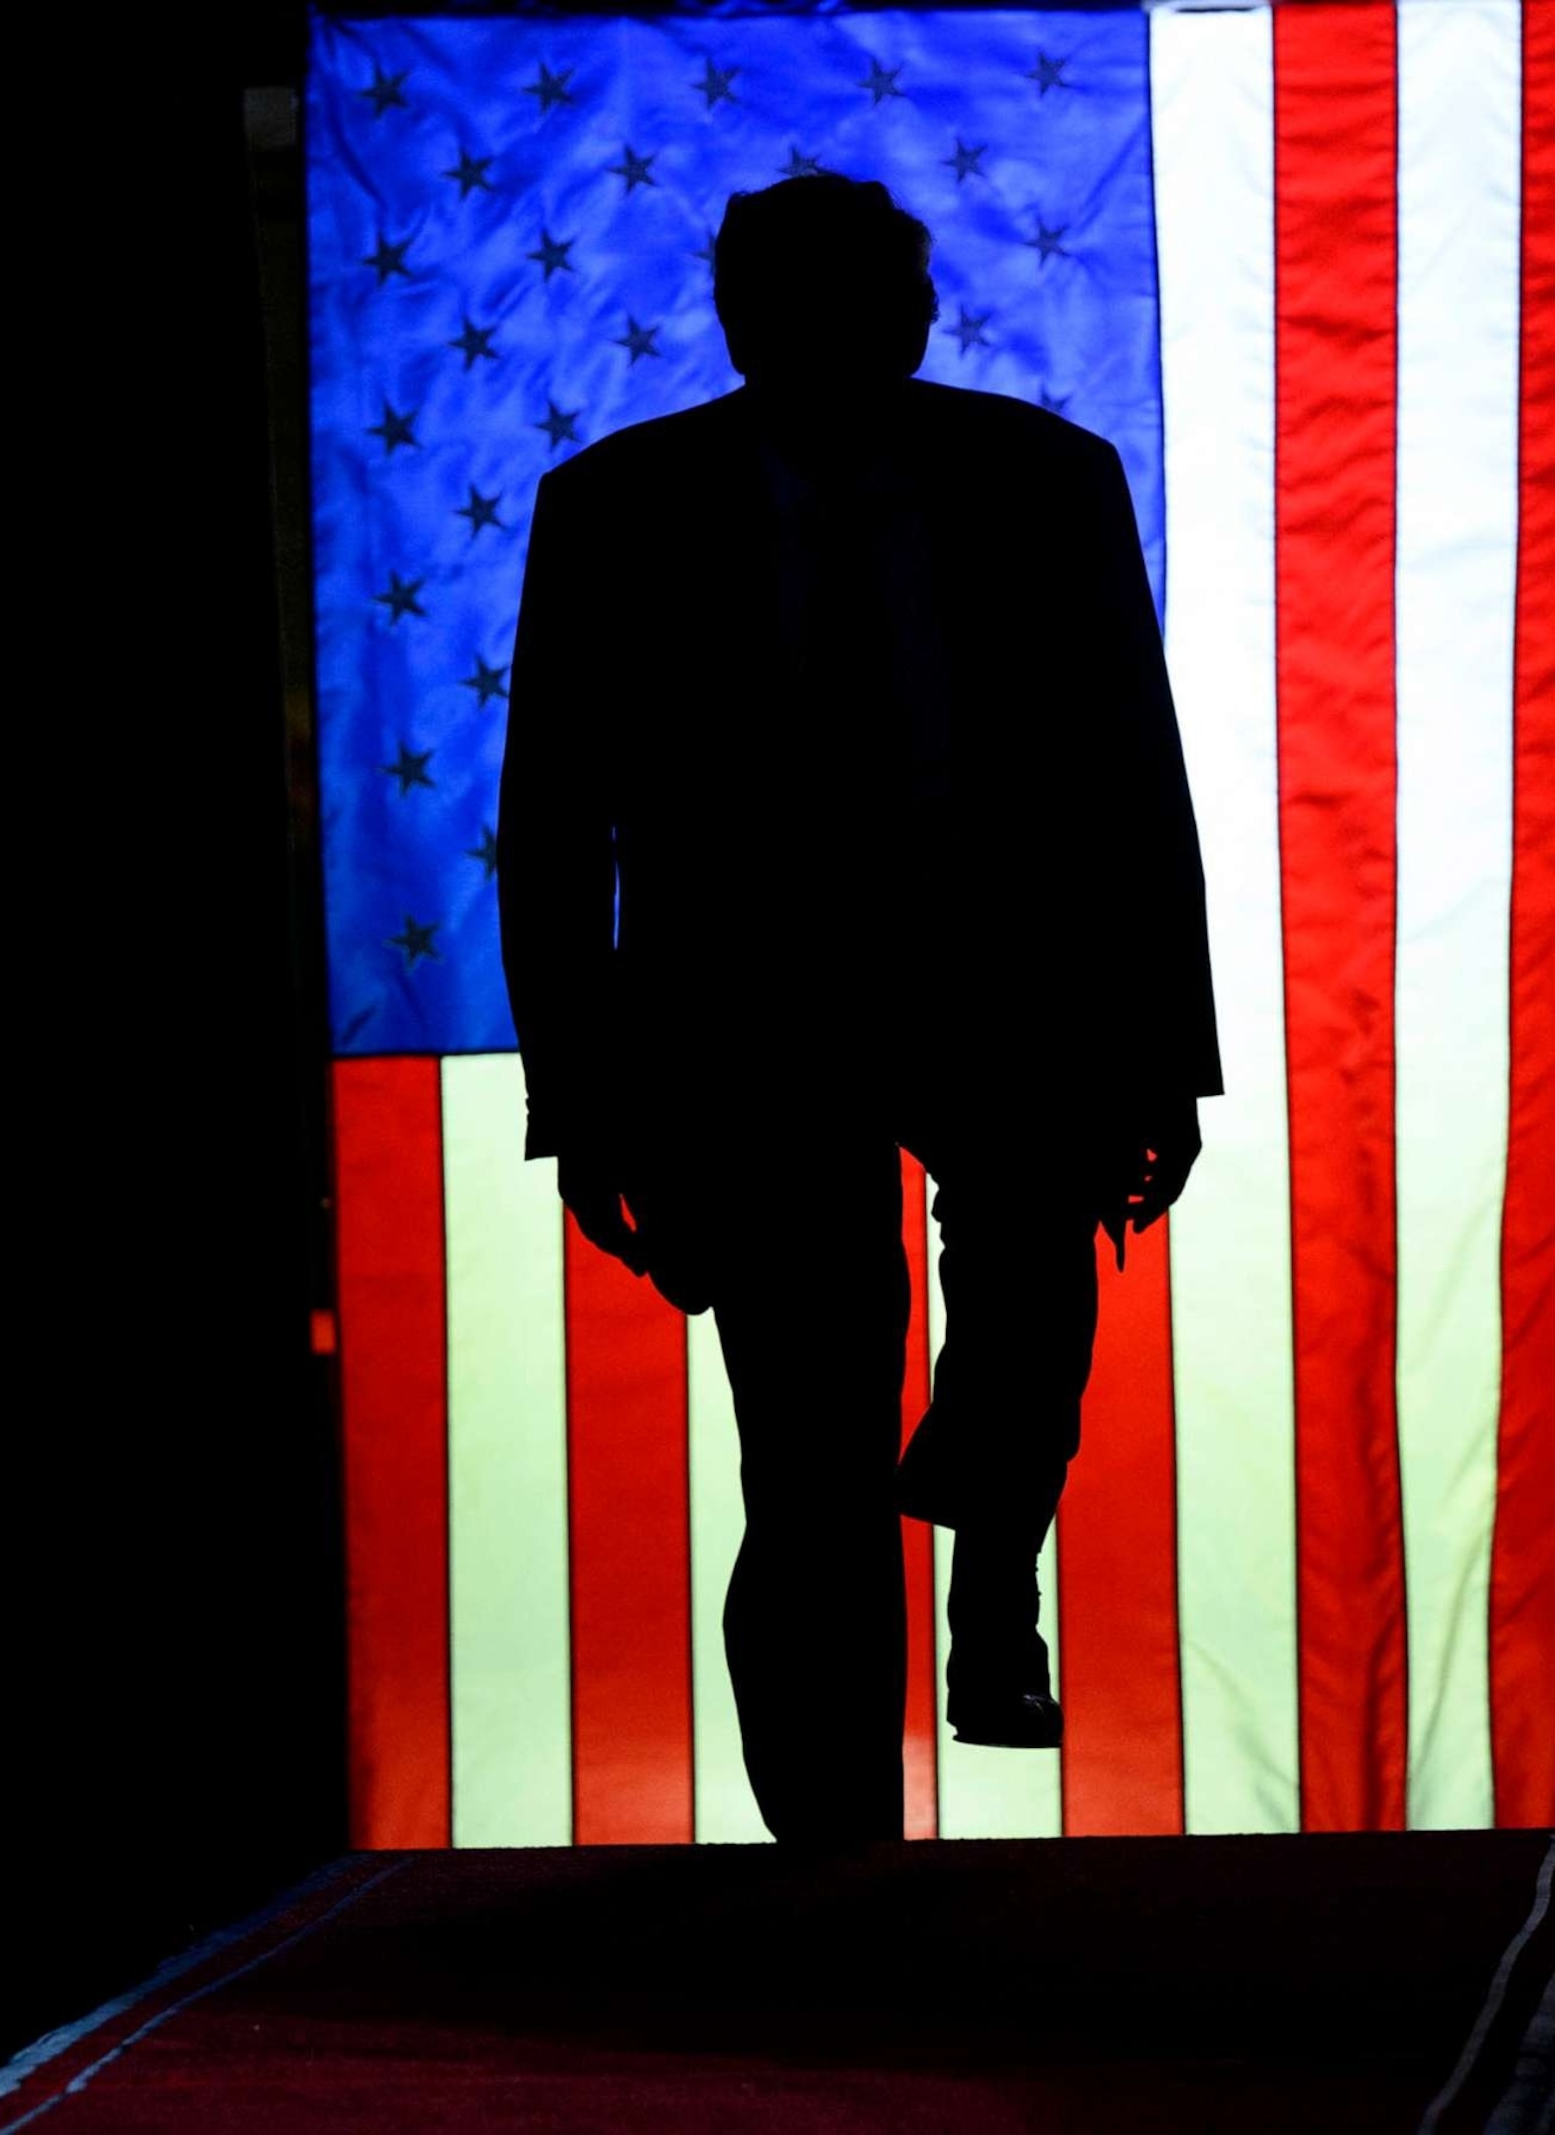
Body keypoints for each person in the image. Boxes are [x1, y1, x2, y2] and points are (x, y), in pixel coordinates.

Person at [497, 173, 1220, 1842]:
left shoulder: (1048, 482)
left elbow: (1132, 782)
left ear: (914, 317)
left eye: (861, 305)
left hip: (1009, 992)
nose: (833, 338)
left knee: (1029, 1328)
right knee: (810, 1460)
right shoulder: (616, 504)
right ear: (741, 323)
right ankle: (833, 1841)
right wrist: (582, 1100)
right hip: (751, 1032)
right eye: (796, 307)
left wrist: (1162, 1061)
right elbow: (551, 818)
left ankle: (989, 1570)